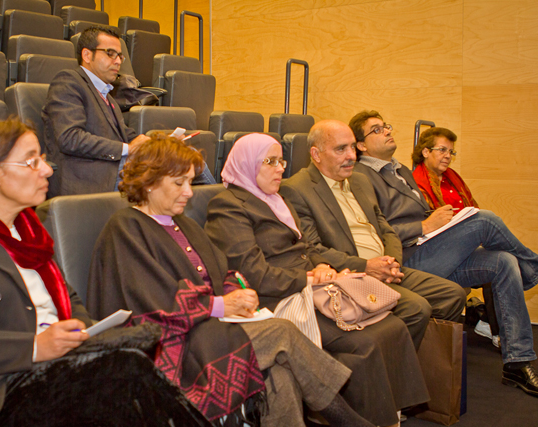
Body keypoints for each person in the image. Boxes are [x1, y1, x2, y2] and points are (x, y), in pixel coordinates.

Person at [0, 117, 212, 427]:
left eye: (42, 158)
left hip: (59, 367)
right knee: (125, 370)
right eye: (32, 161)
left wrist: (83, 331)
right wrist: (34, 347)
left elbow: (69, 298)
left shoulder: (29, 229)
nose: (47, 169)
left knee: (135, 354)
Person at [87, 134, 375, 427]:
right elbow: (152, 302)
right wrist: (221, 305)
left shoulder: (184, 224)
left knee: (279, 372)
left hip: (209, 330)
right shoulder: (125, 228)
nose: (189, 193)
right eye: (179, 183)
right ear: (149, 182)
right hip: (169, 346)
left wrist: (239, 293)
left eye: (190, 182)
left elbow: (222, 271)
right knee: (282, 333)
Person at [204, 133, 430, 426]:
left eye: (281, 161)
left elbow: (305, 248)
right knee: (365, 341)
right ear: (248, 164)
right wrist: (308, 278)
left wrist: (322, 267)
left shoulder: (276, 199)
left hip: (310, 287)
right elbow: (253, 273)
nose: (280, 168)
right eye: (270, 161)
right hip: (276, 298)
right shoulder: (227, 206)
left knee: (393, 326)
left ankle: (389, 414)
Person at [350, 110, 538, 397]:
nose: (387, 131)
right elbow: (373, 232)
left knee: (504, 261)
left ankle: (518, 362)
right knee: (485, 220)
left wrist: (443, 223)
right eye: (376, 130)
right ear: (361, 145)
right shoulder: (360, 176)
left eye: (386, 126)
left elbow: (420, 213)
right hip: (406, 259)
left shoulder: (400, 170)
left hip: (429, 247)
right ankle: (534, 269)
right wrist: (425, 226)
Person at [279, 120, 465, 349]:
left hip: (385, 266)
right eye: (341, 149)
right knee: (416, 308)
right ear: (316, 154)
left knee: (452, 295)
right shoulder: (297, 189)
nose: (351, 156)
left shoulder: (359, 180)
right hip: (350, 274)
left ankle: (414, 358)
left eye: (352, 147)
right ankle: (393, 365)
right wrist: (367, 267)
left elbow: (385, 228)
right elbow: (313, 249)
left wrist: (391, 262)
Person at [42, 25, 214, 198]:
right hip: (88, 176)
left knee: (185, 156)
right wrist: (128, 149)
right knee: (172, 165)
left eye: (120, 56)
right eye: (110, 53)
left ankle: (212, 206)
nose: (117, 61)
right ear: (87, 55)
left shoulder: (107, 96)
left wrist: (161, 144)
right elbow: (70, 138)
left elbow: (126, 135)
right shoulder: (68, 82)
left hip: (114, 167)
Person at [410, 126, 476, 211]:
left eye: (451, 152)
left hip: (468, 219)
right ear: (426, 152)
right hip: (441, 220)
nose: (448, 156)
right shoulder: (416, 183)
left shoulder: (453, 176)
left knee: (487, 215)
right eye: (442, 150)